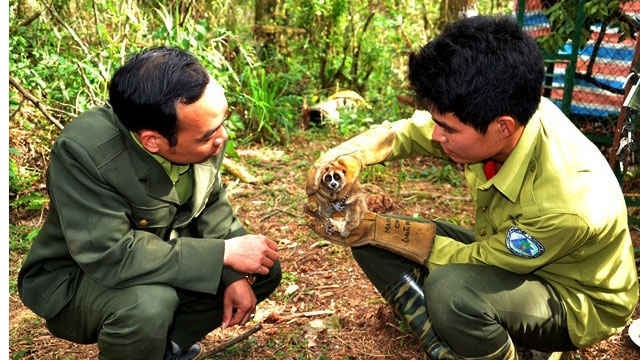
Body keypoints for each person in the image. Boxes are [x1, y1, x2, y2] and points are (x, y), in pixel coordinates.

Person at [306, 15, 639, 360]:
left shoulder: (569, 203)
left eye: (448, 129)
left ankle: (518, 350)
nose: (437, 136)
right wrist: (347, 158)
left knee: (450, 293)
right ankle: (441, 336)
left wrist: (392, 232)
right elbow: (411, 132)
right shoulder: (509, 113)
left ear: (502, 127)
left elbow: (485, 258)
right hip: (512, 250)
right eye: (438, 123)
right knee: (370, 243)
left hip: (575, 297)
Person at [18, 47, 282, 360]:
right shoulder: (83, 153)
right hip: (79, 276)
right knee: (149, 304)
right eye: (209, 135)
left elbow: (210, 205)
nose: (222, 138)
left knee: (261, 267)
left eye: (223, 121)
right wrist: (223, 255)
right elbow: (110, 254)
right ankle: (141, 341)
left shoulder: (203, 131)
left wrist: (233, 273)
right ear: (152, 141)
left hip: (159, 252)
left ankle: (162, 348)